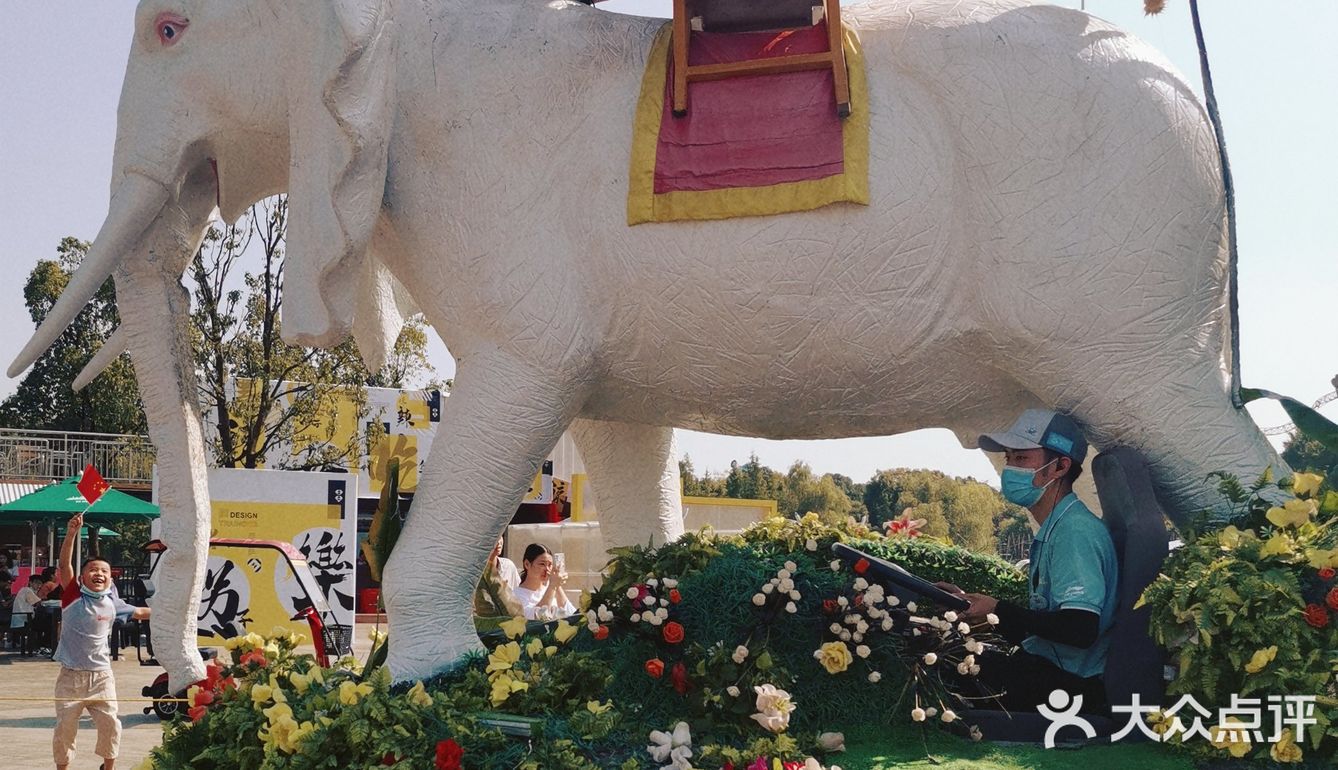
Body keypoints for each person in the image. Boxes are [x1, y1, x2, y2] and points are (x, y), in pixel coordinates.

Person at [938, 409, 1118, 714]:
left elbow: (1080, 629)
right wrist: (980, 611)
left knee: (943, 664)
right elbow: (1045, 625)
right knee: (948, 653)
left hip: (1071, 687)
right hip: (1048, 670)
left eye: (1021, 459)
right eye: (1009, 458)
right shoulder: (1056, 527)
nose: (1010, 468)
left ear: (1060, 466)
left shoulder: (1074, 532)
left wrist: (998, 609)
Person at [51, 512, 150, 770]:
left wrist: (179, 612)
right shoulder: (73, 597)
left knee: (111, 724)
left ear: (110, 577)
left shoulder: (113, 603)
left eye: (103, 571)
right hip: (70, 678)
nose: (98, 574)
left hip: (102, 677)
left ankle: (109, 767)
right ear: (82, 577)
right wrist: (72, 533)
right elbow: (64, 566)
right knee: (65, 730)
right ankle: (62, 767)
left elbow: (141, 612)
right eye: (92, 570)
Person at [512, 543, 576, 621]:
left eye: (550, 565)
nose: (547, 569)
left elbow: (572, 615)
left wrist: (557, 586)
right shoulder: (515, 595)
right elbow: (536, 619)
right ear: (527, 564)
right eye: (542, 564)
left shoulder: (552, 589)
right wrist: (552, 586)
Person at [473, 535, 523, 619]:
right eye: (494, 538)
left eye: (500, 537)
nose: (498, 542)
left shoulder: (508, 566)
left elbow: (516, 595)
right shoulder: (473, 570)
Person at [11, 574, 41, 655]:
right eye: (37, 583)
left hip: (20, 617)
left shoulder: (26, 590)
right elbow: (38, 603)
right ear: (30, 583)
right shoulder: (27, 590)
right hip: (23, 619)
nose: (39, 585)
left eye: (40, 583)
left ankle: (39, 645)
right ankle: (41, 646)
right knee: (45, 624)